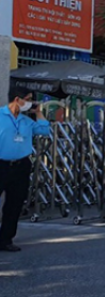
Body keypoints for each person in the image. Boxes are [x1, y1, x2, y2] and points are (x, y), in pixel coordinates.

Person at [0, 87, 50, 252]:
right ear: (17, 99)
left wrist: (38, 113)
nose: (29, 103)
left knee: (14, 204)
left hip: (21, 166)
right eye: (27, 99)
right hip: (1, 165)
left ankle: (6, 239)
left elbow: (44, 130)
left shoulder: (26, 121)